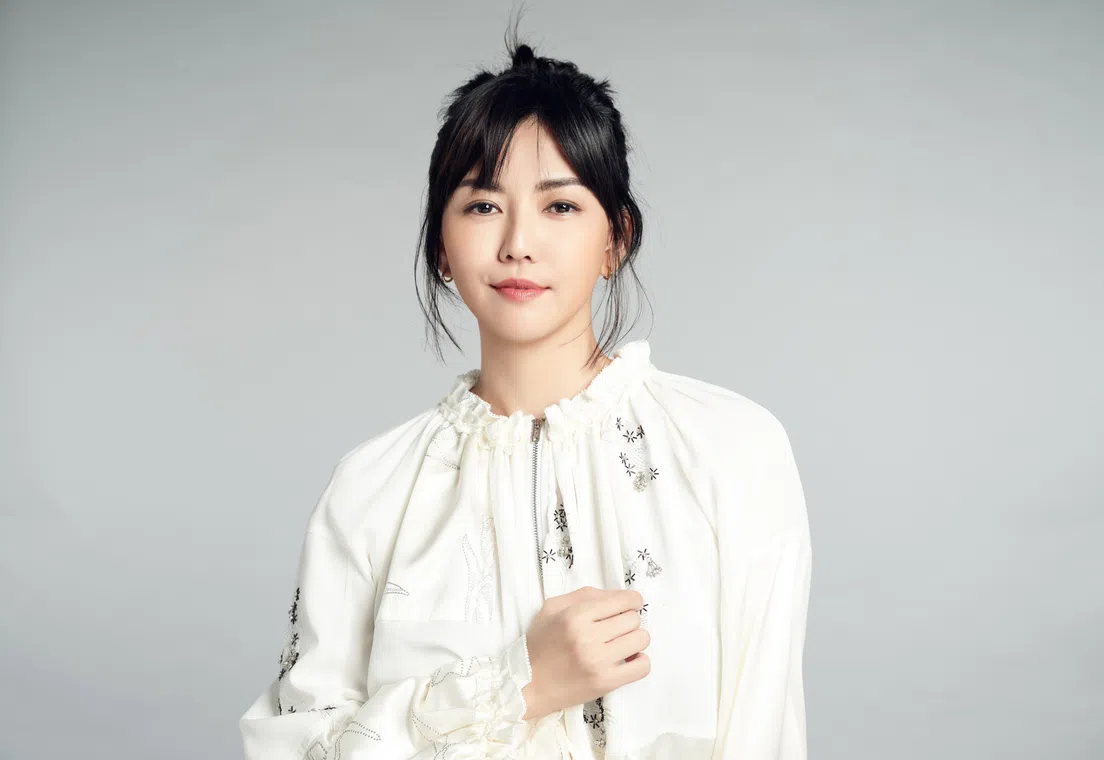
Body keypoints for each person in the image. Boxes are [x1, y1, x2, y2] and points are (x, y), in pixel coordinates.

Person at [238, 28, 812, 760]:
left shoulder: (729, 449)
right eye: (482, 206)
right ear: (441, 247)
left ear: (616, 240)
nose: (518, 244)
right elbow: (294, 747)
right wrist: (519, 686)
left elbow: (764, 732)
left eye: (560, 207)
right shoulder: (373, 490)